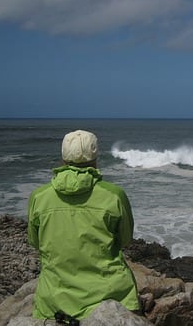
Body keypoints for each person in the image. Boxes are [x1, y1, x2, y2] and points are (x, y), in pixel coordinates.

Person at [27, 130, 140, 321]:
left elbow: (35, 242)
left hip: (54, 300)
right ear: (95, 156)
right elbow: (125, 240)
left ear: (63, 156)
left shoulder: (39, 197)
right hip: (110, 295)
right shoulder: (114, 195)